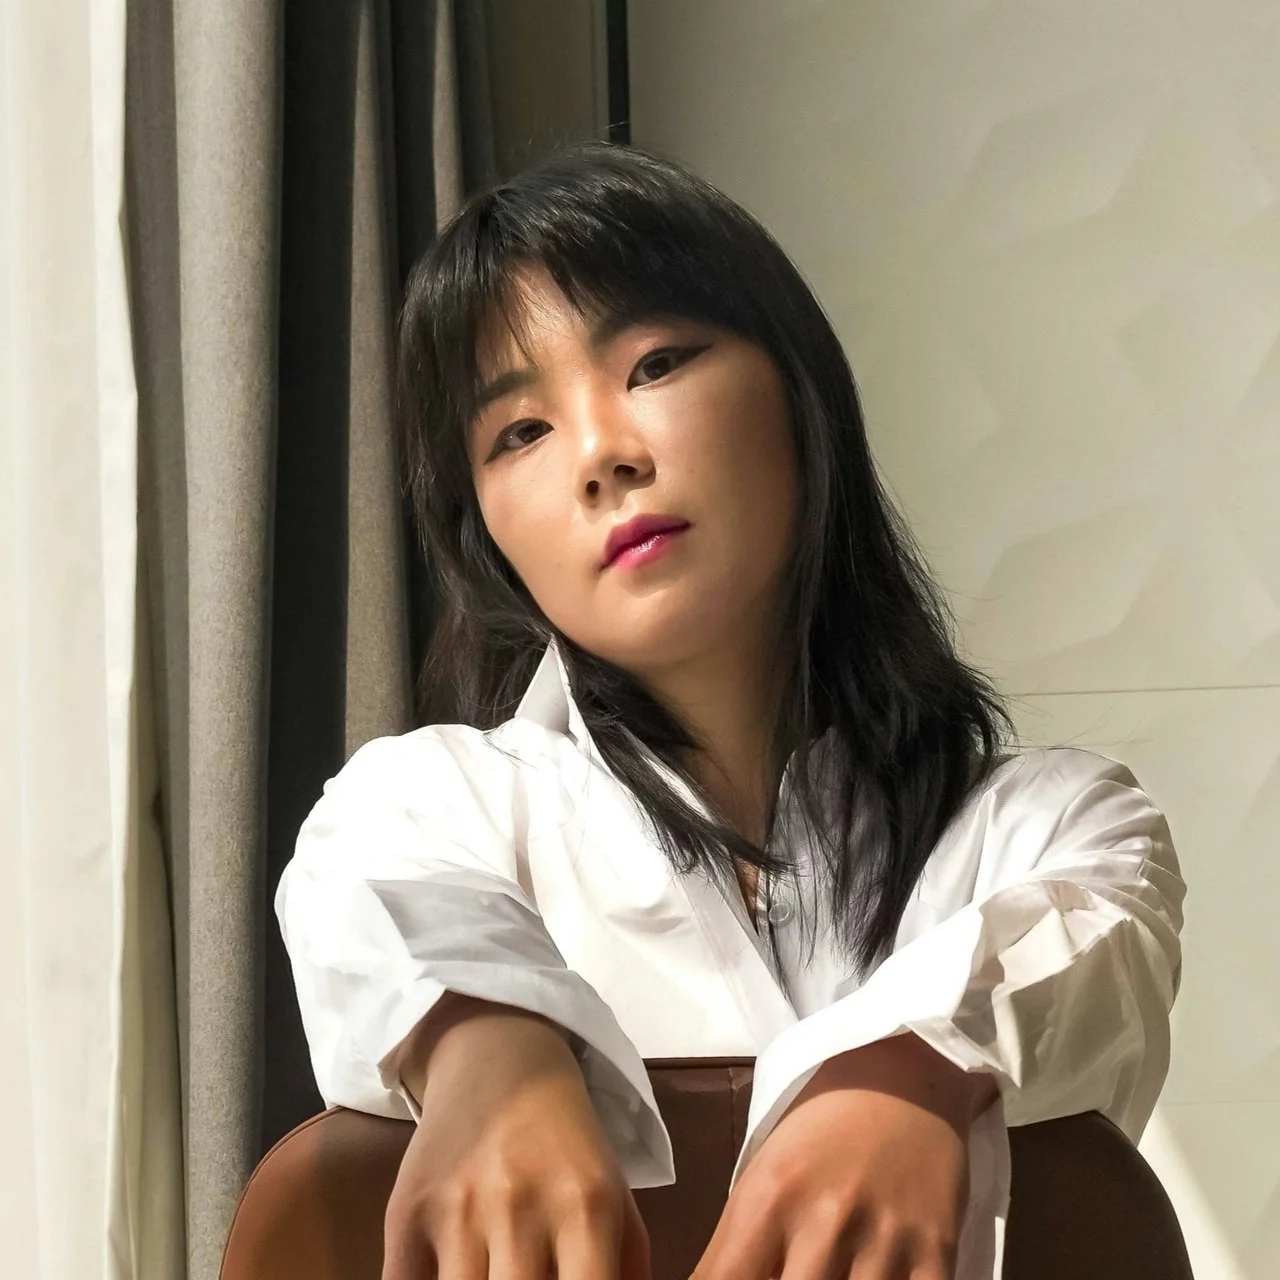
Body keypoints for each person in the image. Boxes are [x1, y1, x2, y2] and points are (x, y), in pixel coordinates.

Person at [275, 142, 1185, 1280]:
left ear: (798, 392)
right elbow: (388, 902)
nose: (601, 457)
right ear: (486, 532)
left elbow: (1084, 932)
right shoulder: (426, 801)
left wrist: (905, 1069)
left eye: (653, 364)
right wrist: (482, 1047)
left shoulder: (1048, 826)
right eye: (520, 432)